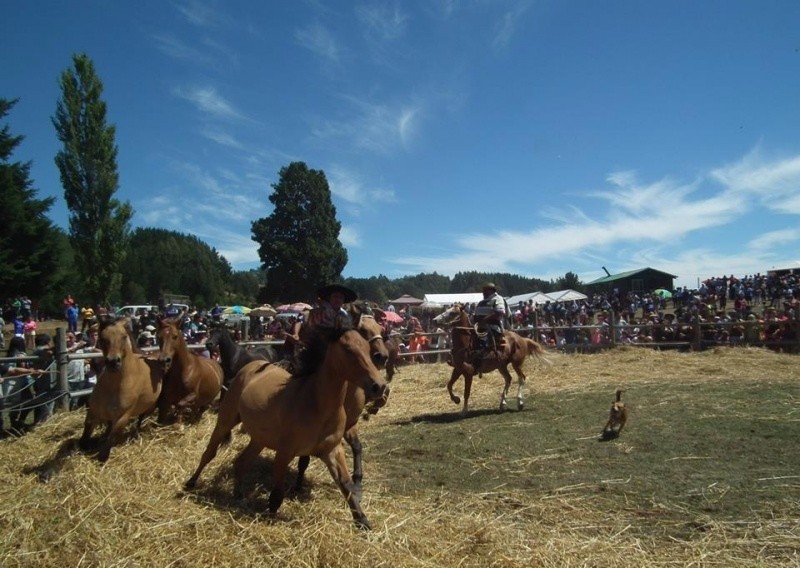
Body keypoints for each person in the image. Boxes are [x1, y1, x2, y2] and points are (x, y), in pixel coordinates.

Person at [473, 282, 509, 352]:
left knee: (484, 341)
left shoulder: (498, 299)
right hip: (479, 327)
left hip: (492, 327)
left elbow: (499, 312)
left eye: (485, 290)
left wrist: (484, 320)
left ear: (491, 290)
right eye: (483, 290)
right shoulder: (481, 302)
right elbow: (476, 314)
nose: (483, 292)